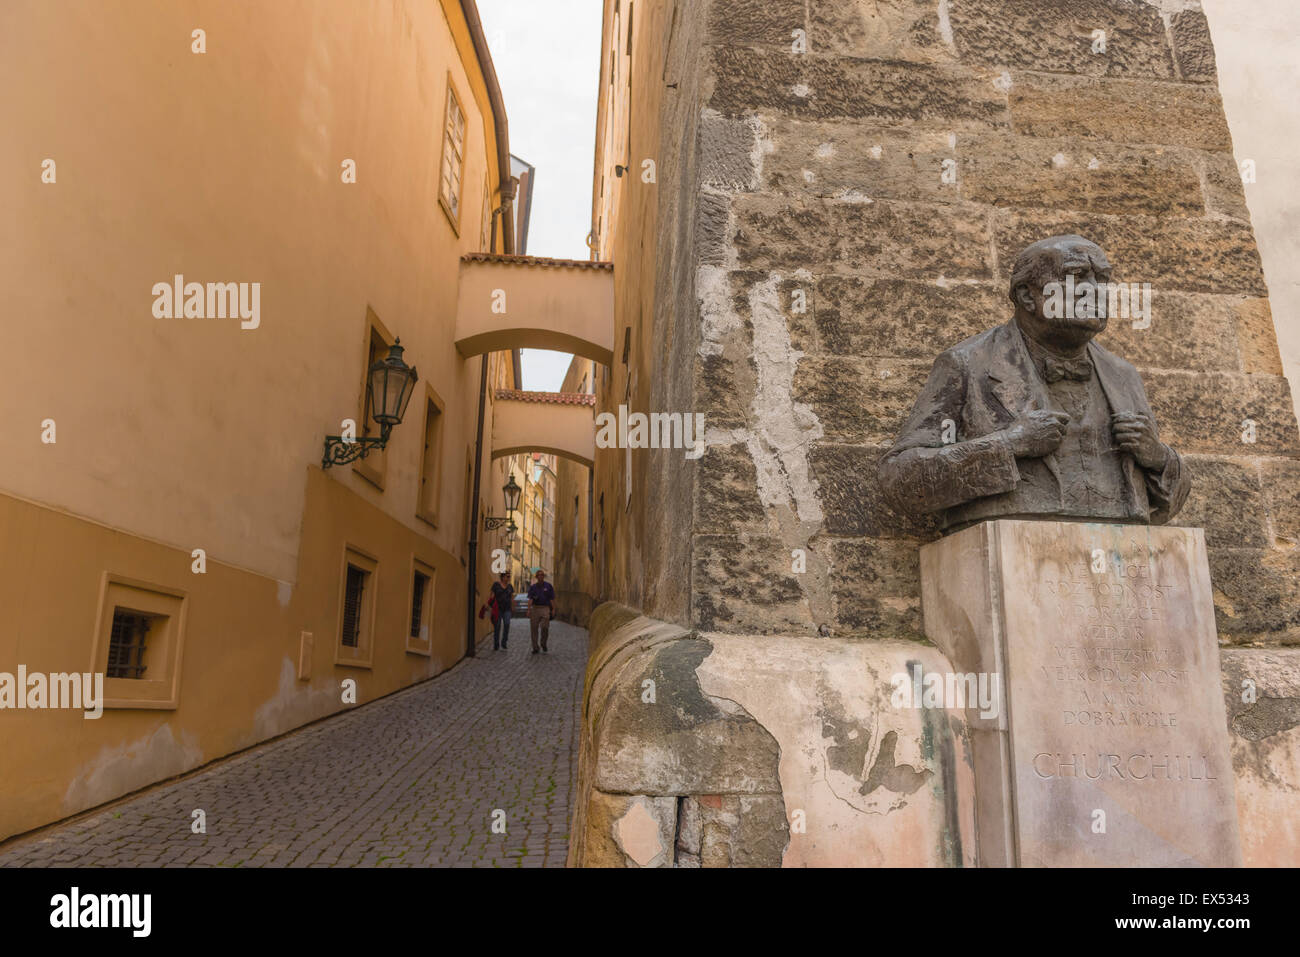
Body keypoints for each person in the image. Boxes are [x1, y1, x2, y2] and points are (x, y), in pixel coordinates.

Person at [878, 234, 1189, 529]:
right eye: (1076, 276)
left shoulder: (1123, 375)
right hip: (1013, 546)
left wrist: (1159, 458)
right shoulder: (968, 364)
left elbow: (1167, 503)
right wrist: (1010, 443)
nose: (1095, 290)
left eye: (1102, 279)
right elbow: (901, 480)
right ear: (1028, 295)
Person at [527, 569, 557, 654]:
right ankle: (535, 647)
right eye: (539, 575)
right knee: (534, 628)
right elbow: (530, 599)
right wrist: (529, 610)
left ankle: (543, 643)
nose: (541, 576)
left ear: (543, 576)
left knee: (545, 627)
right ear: (536, 577)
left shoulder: (548, 586)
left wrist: (553, 609)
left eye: (542, 575)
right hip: (535, 608)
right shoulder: (533, 587)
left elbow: (552, 599)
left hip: (545, 608)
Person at [490, 572, 513, 651]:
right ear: (503, 577)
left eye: (509, 577)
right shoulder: (496, 585)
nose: (509, 578)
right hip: (498, 609)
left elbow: (511, 598)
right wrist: (489, 604)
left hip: (507, 609)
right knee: (497, 625)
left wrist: (512, 607)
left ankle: (504, 642)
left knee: (507, 624)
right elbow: (492, 595)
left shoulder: (510, 587)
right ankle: (496, 644)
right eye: (507, 576)